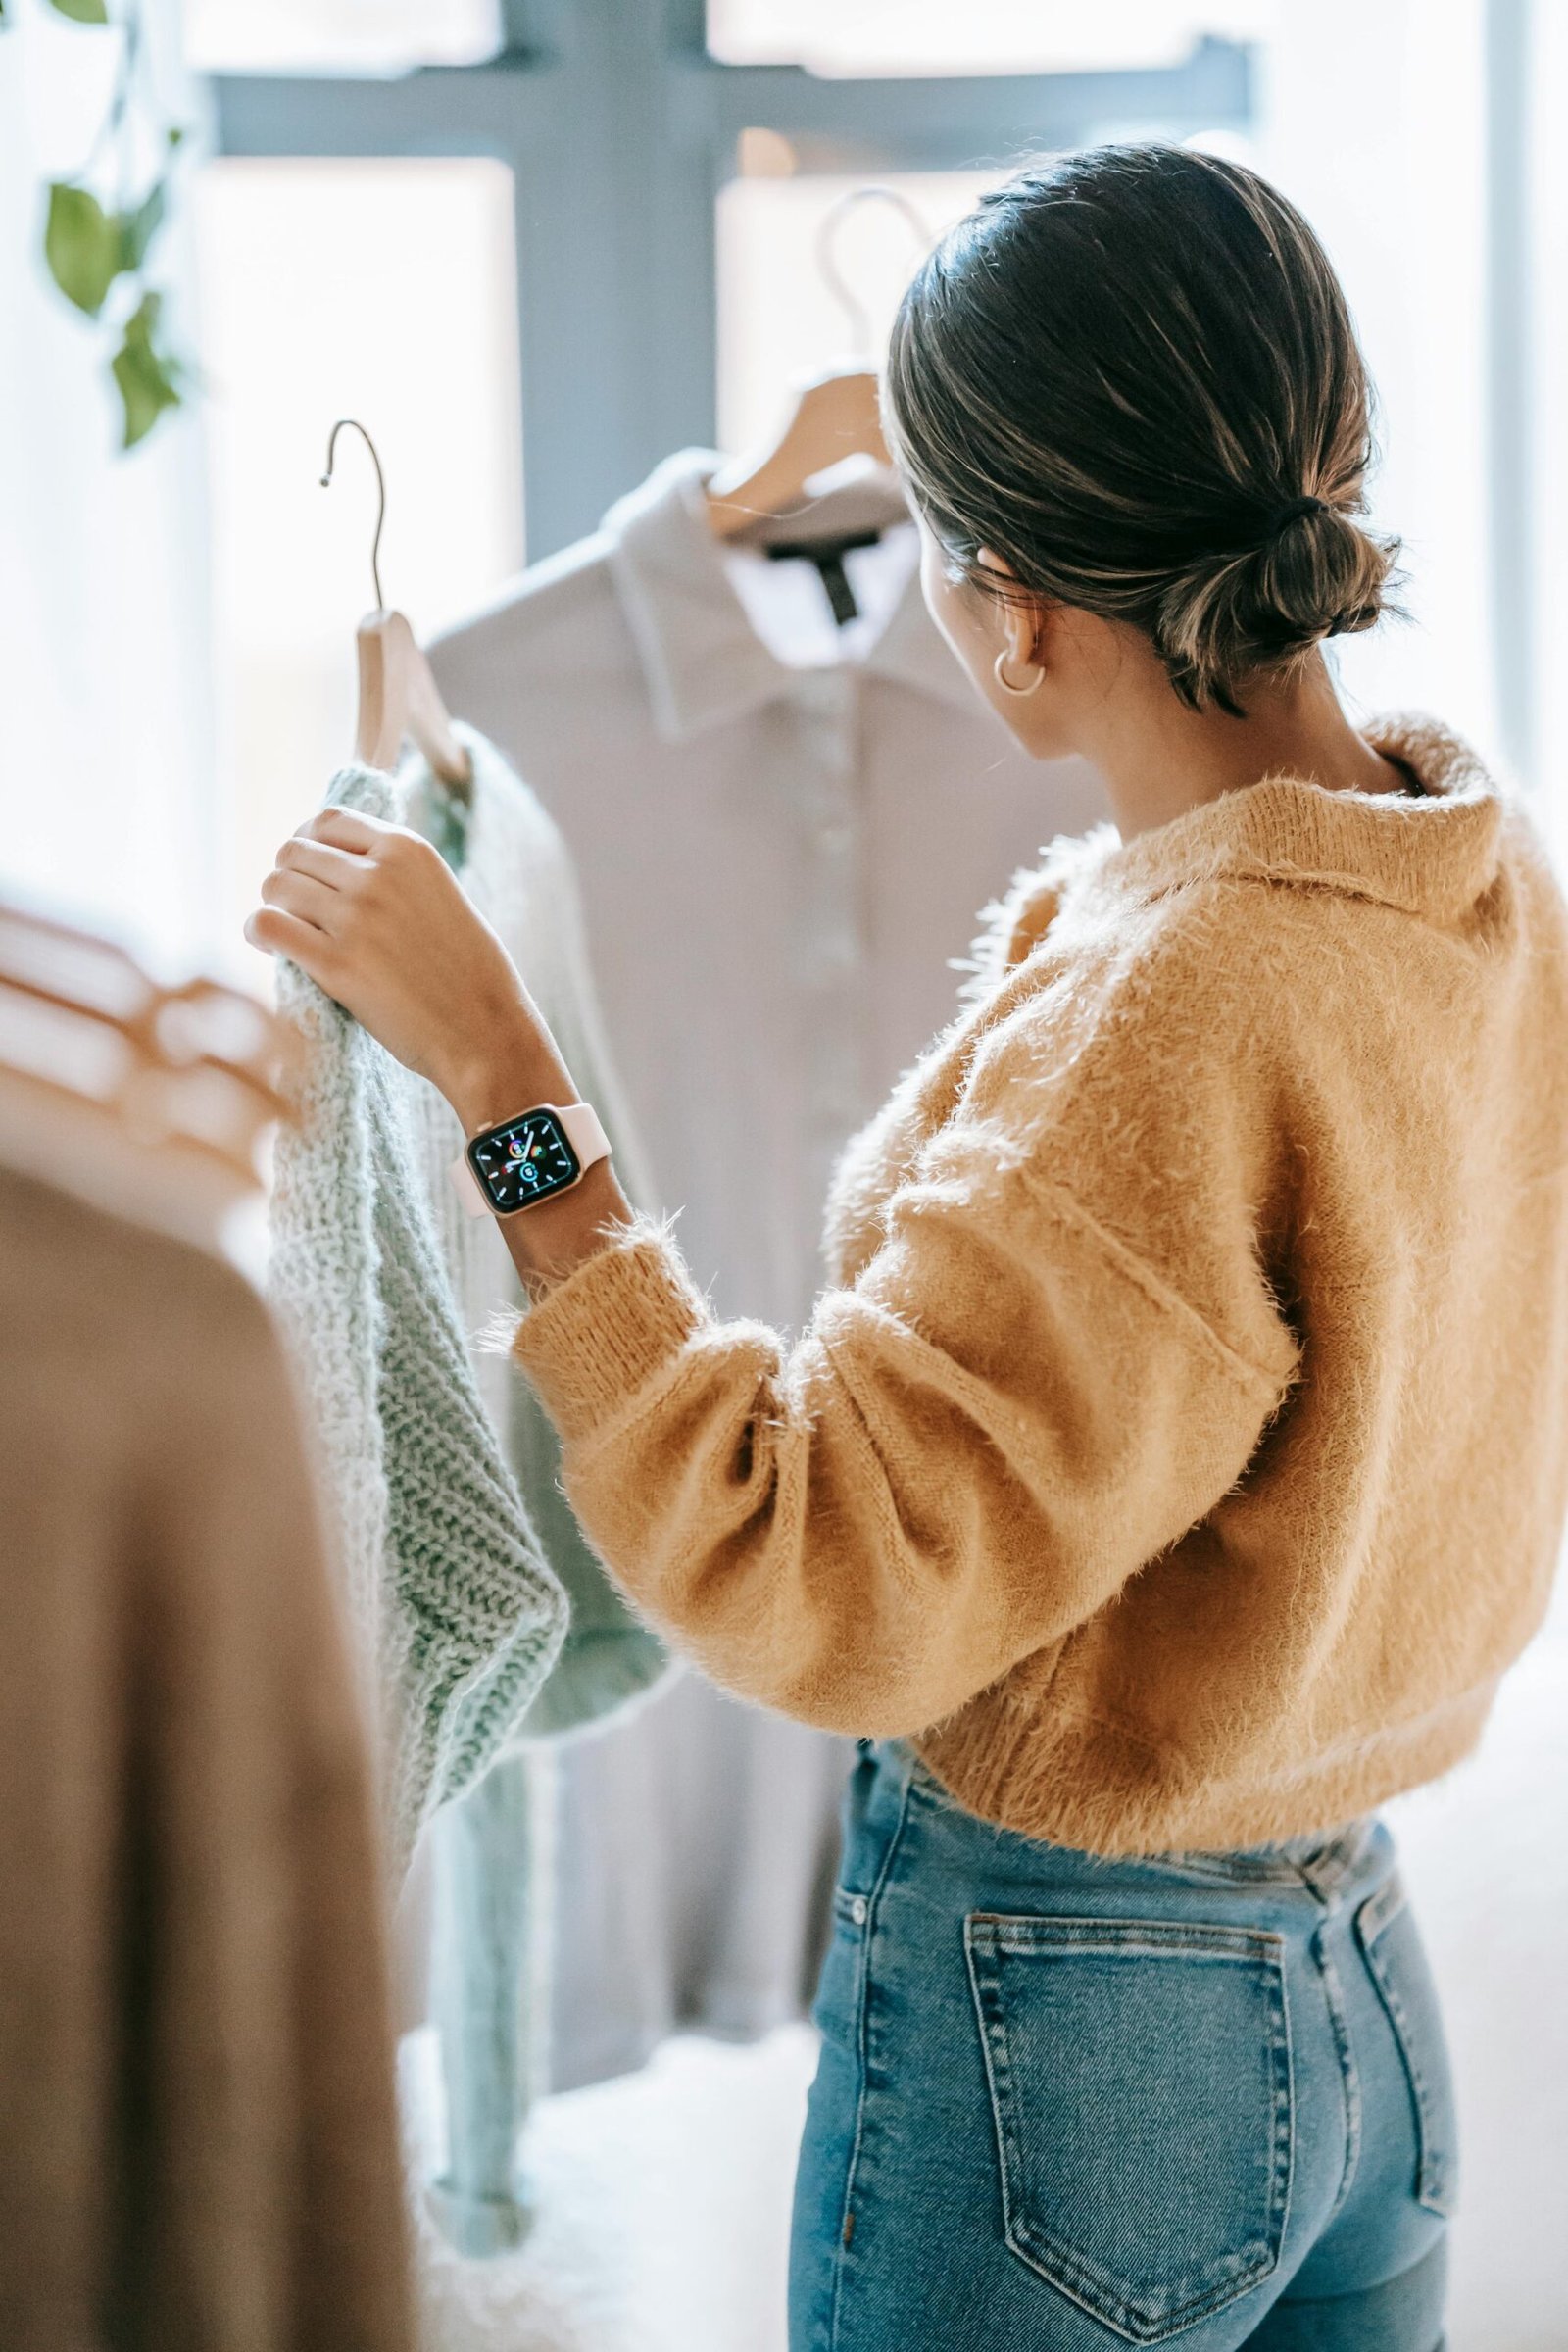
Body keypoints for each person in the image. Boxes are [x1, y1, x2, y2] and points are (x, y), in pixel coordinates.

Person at [249, 144, 1568, 2352]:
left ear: (997, 598)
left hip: (1085, 2043)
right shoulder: (1482, 885)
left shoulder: (1166, 1010)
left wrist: (503, 1069)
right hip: (1361, 1998)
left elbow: (813, 1577)